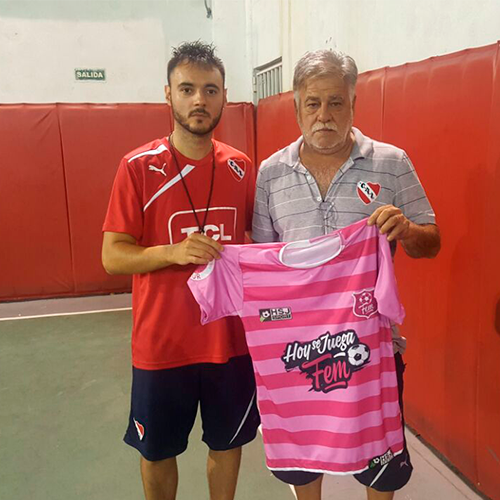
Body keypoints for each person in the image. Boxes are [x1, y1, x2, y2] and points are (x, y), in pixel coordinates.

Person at [252, 49, 441, 500]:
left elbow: (431, 241)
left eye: (336, 102)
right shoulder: (270, 173)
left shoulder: (391, 162)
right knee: (304, 460)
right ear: (296, 107)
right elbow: (264, 261)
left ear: (354, 103)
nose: (324, 115)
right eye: (313, 104)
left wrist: (409, 230)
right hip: (297, 347)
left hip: (371, 344)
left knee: (381, 465)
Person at [102, 41, 259, 500]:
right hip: (162, 344)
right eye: (187, 89)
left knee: (228, 445)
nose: (199, 100)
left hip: (227, 341)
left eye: (210, 91)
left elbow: (264, 244)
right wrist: (174, 252)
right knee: (157, 453)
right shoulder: (138, 167)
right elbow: (113, 256)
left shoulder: (240, 167)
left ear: (225, 97)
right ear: (167, 95)